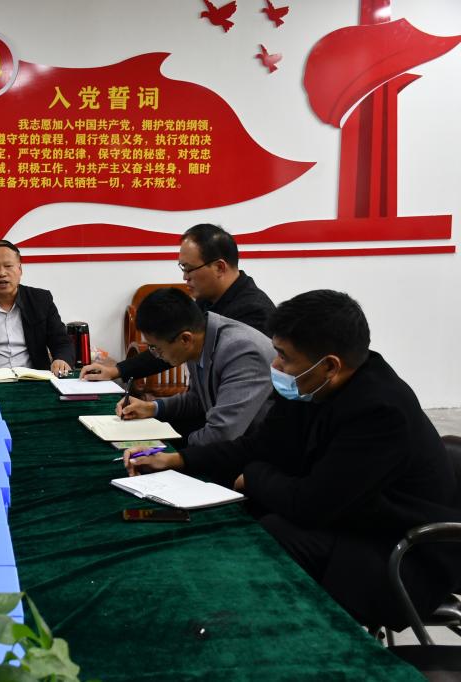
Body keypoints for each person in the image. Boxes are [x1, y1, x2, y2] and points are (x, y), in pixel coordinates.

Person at [122, 291, 460, 628]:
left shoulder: (379, 411)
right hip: (348, 520)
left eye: (283, 356)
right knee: (234, 516)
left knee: (272, 532)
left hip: (400, 551)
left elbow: (311, 504)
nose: (275, 365)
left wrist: (253, 477)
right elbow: (259, 447)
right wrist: (176, 460)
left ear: (330, 365)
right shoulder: (311, 384)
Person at [82, 223, 275, 382]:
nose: (184, 277)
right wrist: (117, 370)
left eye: (189, 269)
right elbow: (167, 347)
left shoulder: (254, 313)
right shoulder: (206, 300)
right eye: (182, 268)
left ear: (219, 267)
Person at [116, 288, 274, 445]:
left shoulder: (242, 352)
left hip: (261, 450)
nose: (156, 355)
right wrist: (151, 408)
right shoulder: (201, 339)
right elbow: (198, 398)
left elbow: (222, 434)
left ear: (185, 339)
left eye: (156, 348)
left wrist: (168, 451)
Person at [0, 240, 75, 375]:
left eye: (8, 266)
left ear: (20, 269)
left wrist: (61, 359)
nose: (2, 273)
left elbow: (62, 342)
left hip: (34, 379)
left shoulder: (41, 300)